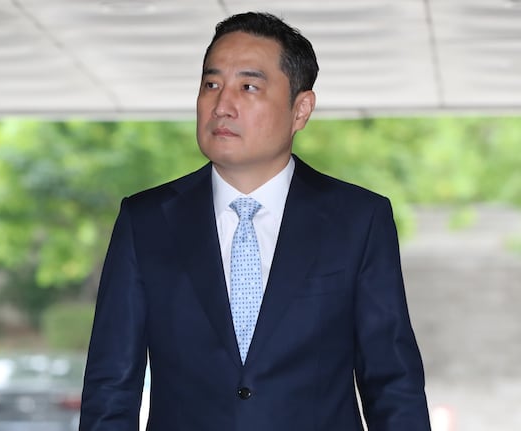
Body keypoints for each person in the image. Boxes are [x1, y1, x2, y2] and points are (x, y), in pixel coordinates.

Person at [80, 11, 431, 431]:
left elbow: (392, 383)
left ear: (300, 109)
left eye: (248, 87)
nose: (221, 106)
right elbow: (110, 389)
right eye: (211, 85)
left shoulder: (357, 220)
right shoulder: (146, 221)